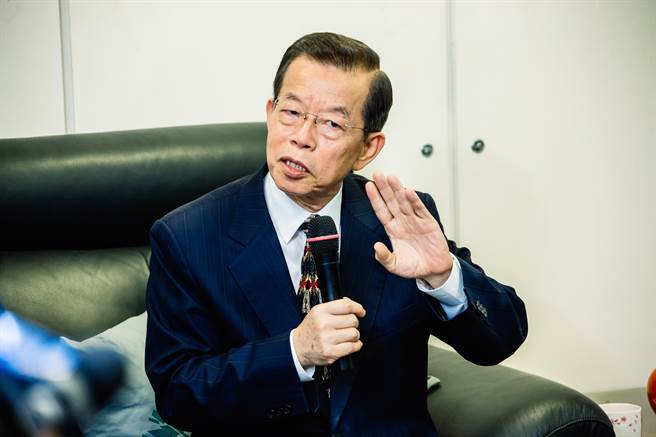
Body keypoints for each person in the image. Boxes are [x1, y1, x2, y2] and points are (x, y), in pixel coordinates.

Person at [145, 32, 528, 436]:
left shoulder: (396, 220)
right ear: (270, 112)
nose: (301, 137)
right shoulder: (188, 237)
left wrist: (443, 275)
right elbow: (177, 393)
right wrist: (295, 352)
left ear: (367, 148)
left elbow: (500, 340)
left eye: (331, 123)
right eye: (291, 112)